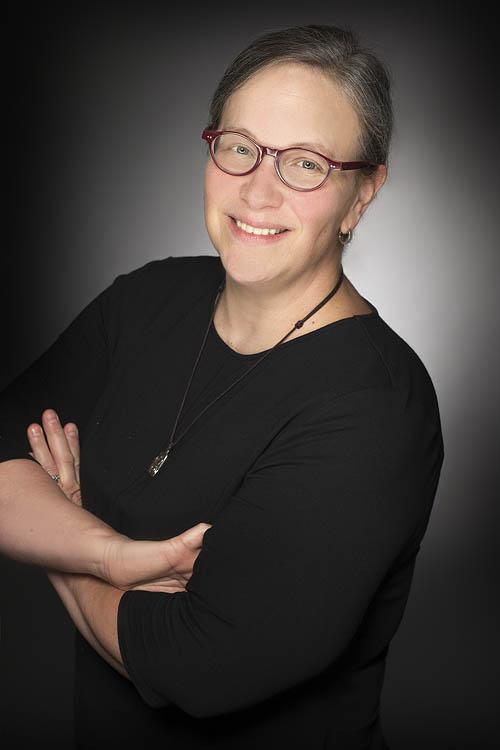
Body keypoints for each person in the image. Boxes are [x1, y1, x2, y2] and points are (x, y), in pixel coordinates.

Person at [0, 23, 445, 750]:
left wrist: (62, 549)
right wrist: (110, 556)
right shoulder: (147, 300)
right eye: (239, 147)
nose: (258, 190)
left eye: (305, 163)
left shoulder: (374, 406)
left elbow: (195, 667)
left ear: (362, 193)